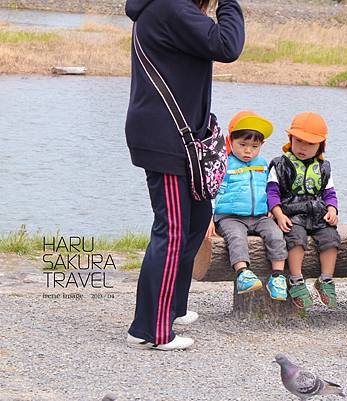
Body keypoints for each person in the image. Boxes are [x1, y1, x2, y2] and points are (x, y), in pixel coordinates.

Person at [125, 0, 244, 351]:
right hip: (166, 140)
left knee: (195, 221)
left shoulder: (170, 9)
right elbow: (228, 45)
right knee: (173, 230)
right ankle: (151, 331)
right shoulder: (171, 7)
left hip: (178, 138)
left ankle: (171, 308)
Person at [205, 111, 288, 301]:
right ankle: (243, 273)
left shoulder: (263, 164)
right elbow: (211, 192)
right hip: (230, 216)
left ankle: (277, 277)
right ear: (230, 140)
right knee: (236, 238)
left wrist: (271, 209)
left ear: (262, 146)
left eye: (254, 146)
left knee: (276, 235)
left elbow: (269, 189)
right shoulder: (224, 164)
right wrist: (208, 218)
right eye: (242, 145)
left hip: (259, 216)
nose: (248, 151)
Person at [267, 112, 341, 309]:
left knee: (331, 238)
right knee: (295, 237)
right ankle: (296, 279)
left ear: (320, 146)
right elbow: (272, 193)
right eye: (298, 141)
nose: (302, 147)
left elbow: (329, 193)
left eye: (310, 144)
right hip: (292, 212)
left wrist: (332, 209)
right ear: (290, 139)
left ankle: (326, 279)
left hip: (317, 212)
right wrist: (278, 214)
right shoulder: (280, 164)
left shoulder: (324, 167)